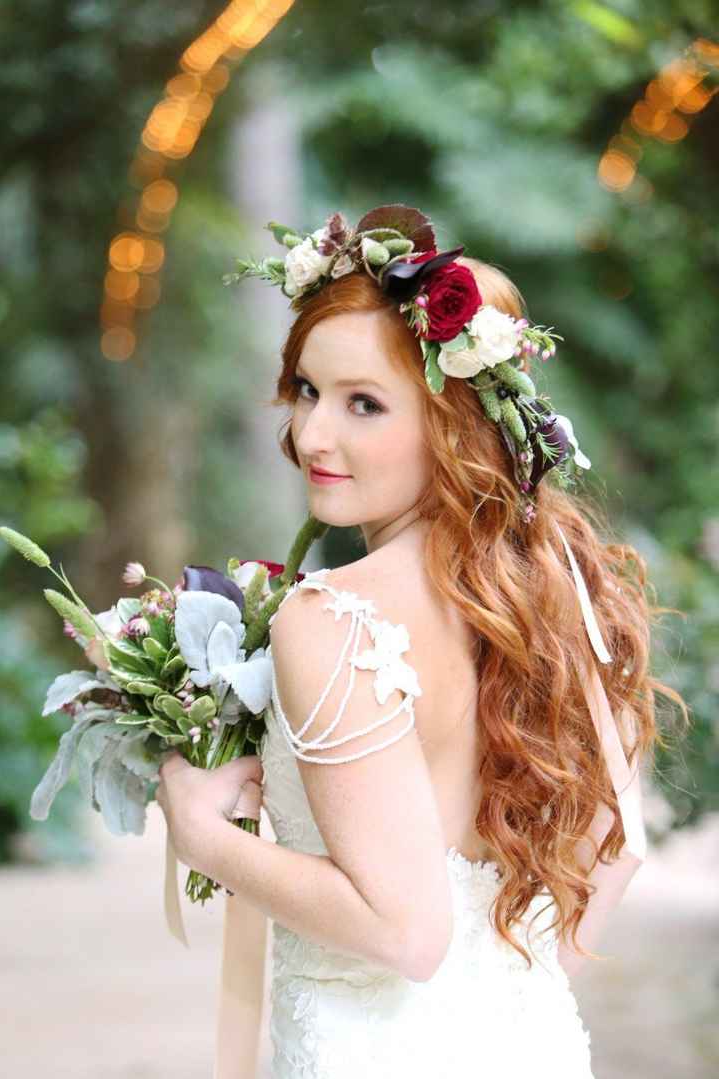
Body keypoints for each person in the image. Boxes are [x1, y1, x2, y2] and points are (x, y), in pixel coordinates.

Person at [158, 205, 688, 1078]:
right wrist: (514, 993)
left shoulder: (334, 615)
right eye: (306, 390)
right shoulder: (547, 584)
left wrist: (202, 833)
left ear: (452, 420)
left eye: (364, 403)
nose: (312, 434)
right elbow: (616, 843)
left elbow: (405, 933)